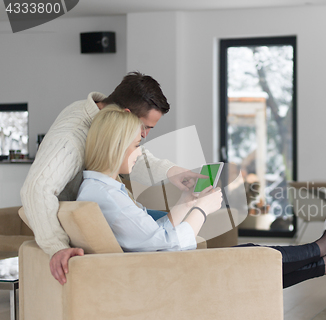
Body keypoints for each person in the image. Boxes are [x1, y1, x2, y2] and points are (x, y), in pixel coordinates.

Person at [76, 106, 326, 288]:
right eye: (137, 145)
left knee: (253, 255)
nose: (140, 154)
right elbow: (163, 243)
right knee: (254, 258)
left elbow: (155, 233)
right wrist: (200, 209)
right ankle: (324, 249)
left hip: (161, 267)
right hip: (165, 273)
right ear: (116, 146)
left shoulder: (104, 190)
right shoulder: (106, 197)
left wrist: (186, 201)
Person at [21, 72, 204, 285]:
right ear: (125, 115)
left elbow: (123, 152)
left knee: (177, 218)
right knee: (178, 229)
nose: (144, 136)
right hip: (96, 214)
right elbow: (36, 188)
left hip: (106, 204)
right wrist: (57, 247)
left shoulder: (96, 115)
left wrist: (172, 171)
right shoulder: (70, 138)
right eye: (145, 127)